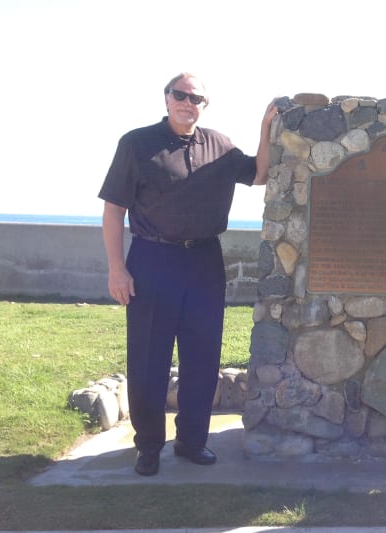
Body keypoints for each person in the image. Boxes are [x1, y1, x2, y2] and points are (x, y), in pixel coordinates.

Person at [99, 72, 277, 476]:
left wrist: (265, 129)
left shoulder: (219, 145)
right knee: (149, 358)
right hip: (151, 260)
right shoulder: (136, 144)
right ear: (166, 99)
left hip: (203, 261)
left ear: (204, 105)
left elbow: (259, 174)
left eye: (196, 98)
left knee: (202, 356)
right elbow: (113, 209)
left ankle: (192, 441)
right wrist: (117, 268)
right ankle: (148, 447)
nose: (187, 103)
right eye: (180, 95)